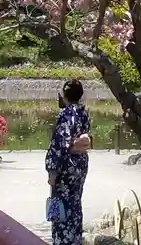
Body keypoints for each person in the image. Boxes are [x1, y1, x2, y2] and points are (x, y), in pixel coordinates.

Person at [45, 79, 90, 245]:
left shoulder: (64, 115)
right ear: (80, 95)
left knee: (61, 206)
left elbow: (59, 145)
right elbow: (86, 137)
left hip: (65, 165)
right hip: (80, 164)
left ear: (64, 96)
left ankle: (63, 241)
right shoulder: (82, 113)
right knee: (75, 203)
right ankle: (75, 239)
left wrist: (52, 171)